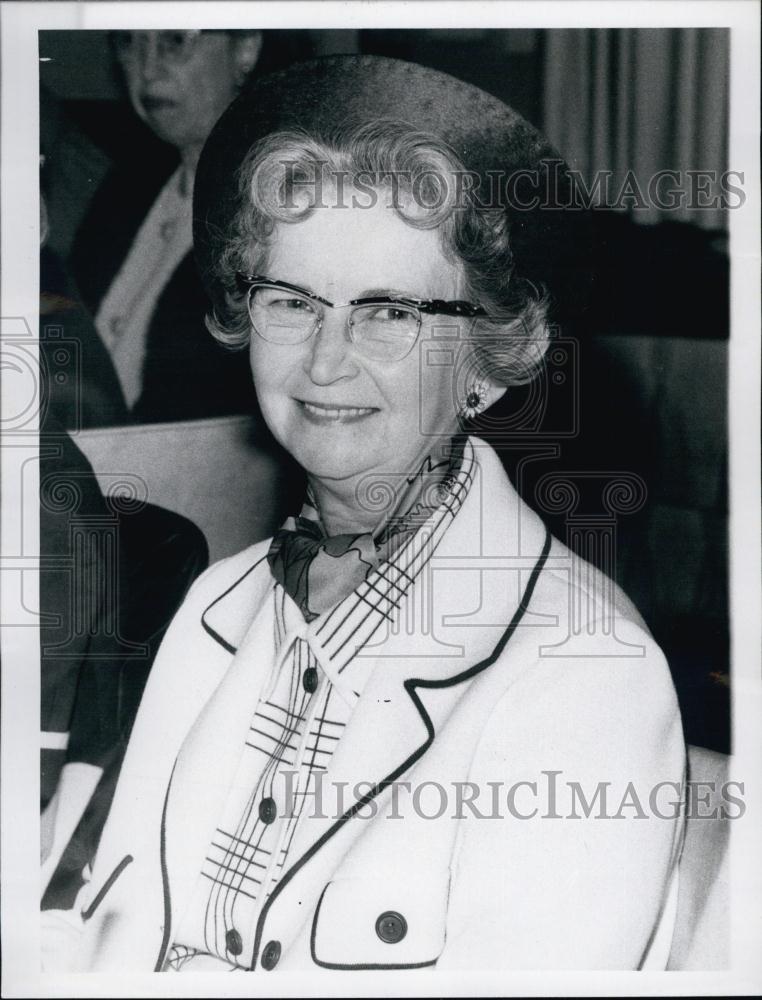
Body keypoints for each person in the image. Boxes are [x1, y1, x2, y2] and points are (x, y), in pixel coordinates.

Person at [43, 56, 686, 973]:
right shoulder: (210, 608)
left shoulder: (588, 678)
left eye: (388, 311)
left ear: (488, 358)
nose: (325, 361)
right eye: (292, 302)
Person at [69, 29, 266, 423]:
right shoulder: (126, 187)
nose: (147, 69)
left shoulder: (271, 210)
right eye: (128, 41)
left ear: (245, 49)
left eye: (175, 41)